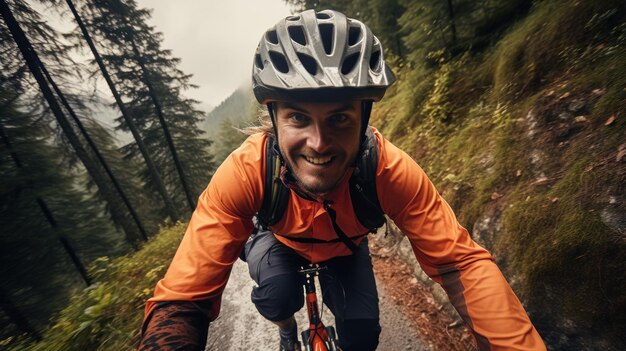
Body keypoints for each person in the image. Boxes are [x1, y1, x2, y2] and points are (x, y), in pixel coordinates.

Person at [138, 9, 546, 351]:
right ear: (274, 118)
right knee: (276, 295)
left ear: (363, 120)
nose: (318, 143)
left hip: (345, 251)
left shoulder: (386, 169)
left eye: (339, 118)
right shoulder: (247, 169)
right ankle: (285, 330)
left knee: (362, 335)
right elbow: (183, 298)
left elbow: (461, 264)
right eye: (298, 117)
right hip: (279, 243)